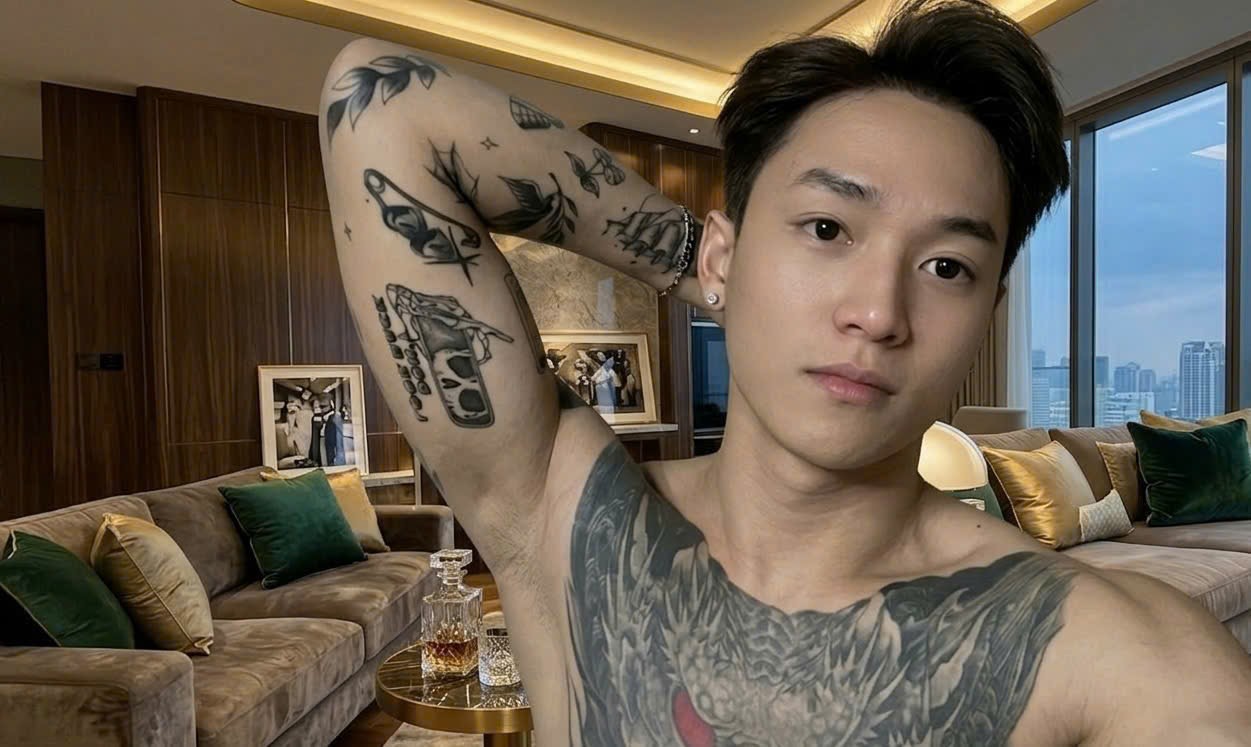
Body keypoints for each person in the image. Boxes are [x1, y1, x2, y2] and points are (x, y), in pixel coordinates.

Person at [319, 1, 1251, 743]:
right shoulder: (568, 516)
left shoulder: (1105, 648)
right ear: (722, 257)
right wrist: (713, 277)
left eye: (946, 267)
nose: (878, 312)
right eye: (826, 228)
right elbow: (384, 105)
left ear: (985, 317)